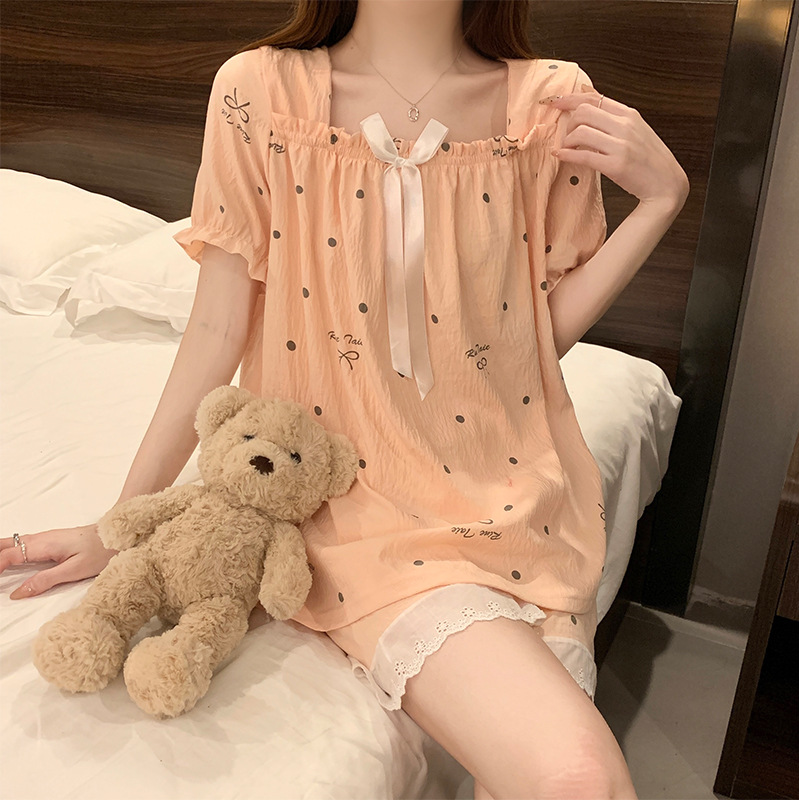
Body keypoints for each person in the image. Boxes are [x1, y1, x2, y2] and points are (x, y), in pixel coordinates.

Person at [2, 1, 689, 797]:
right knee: (580, 776)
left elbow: (529, 342)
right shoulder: (260, 91)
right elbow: (217, 327)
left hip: (517, 490)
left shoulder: (551, 103)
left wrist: (661, 203)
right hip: (354, 503)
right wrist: (123, 520)